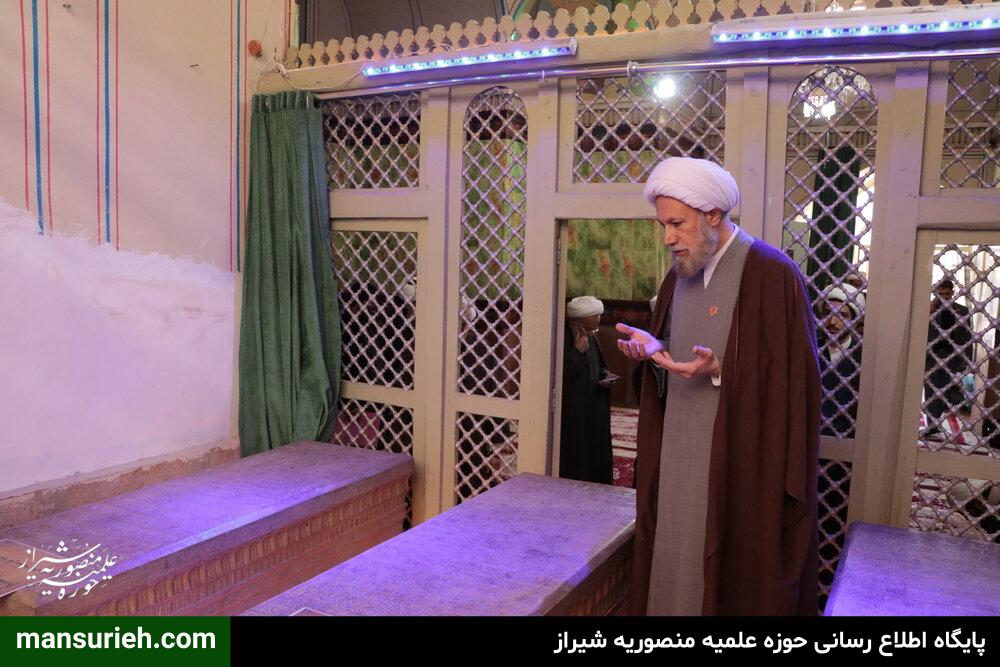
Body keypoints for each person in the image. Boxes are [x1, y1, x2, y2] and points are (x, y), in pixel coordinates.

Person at [615, 157, 821, 615]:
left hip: (739, 463)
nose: (668, 238)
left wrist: (721, 370)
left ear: (712, 215)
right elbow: (681, 351)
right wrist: (655, 346)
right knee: (673, 554)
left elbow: (795, 381)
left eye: (677, 224)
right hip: (678, 454)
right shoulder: (680, 274)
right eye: (663, 225)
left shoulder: (771, 272)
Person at [560, 296, 615, 484]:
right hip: (574, 410)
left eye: (595, 328)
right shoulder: (563, 339)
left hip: (594, 403)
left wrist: (605, 375)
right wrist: (576, 351)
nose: (592, 332)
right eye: (588, 328)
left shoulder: (590, 337)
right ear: (575, 323)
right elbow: (560, 374)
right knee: (579, 453)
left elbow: (599, 365)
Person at [924, 279, 973, 432]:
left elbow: (967, 336)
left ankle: (934, 423)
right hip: (931, 356)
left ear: (952, 293)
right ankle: (932, 424)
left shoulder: (962, 311)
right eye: (941, 294)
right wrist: (929, 312)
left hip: (951, 356)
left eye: (947, 294)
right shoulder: (928, 309)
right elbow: (919, 329)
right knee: (931, 390)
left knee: (943, 391)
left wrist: (966, 360)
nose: (944, 297)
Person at [818, 285, 865, 439]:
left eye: (842, 315)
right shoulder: (810, 349)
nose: (832, 321)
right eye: (827, 313)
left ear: (855, 321)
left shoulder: (864, 356)